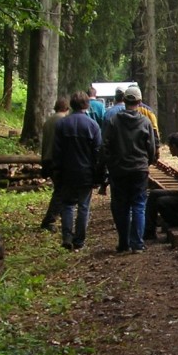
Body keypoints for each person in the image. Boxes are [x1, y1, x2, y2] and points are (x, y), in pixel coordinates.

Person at [103, 85, 158, 253]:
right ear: (140, 102)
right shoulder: (145, 121)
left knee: (122, 206)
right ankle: (137, 244)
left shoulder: (113, 121)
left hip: (118, 170)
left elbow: (104, 146)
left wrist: (109, 164)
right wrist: (146, 162)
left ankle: (123, 243)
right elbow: (152, 148)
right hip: (139, 170)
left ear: (124, 101)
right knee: (139, 205)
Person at [52, 91, 103, 251]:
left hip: (66, 172)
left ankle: (67, 236)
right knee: (83, 207)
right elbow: (98, 152)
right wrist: (98, 176)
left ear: (71, 105)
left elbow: (57, 151)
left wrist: (56, 171)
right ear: (86, 105)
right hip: (86, 172)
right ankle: (79, 240)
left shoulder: (62, 124)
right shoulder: (92, 125)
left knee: (67, 205)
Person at [39, 96, 70, 232]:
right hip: (57, 160)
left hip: (47, 159)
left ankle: (65, 218)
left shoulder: (48, 121)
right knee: (61, 191)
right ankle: (49, 220)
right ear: (66, 108)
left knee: (60, 189)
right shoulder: (63, 121)